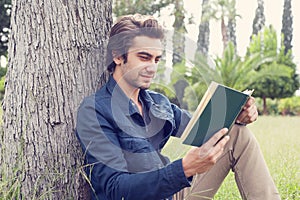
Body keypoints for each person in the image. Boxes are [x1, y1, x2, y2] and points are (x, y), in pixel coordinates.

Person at [76, 14, 280, 200]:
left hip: (171, 194)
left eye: (157, 59)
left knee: (235, 133)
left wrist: (238, 115)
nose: (152, 68)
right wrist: (183, 169)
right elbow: (113, 189)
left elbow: (204, 127)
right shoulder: (95, 111)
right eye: (144, 57)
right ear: (118, 56)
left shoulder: (157, 103)